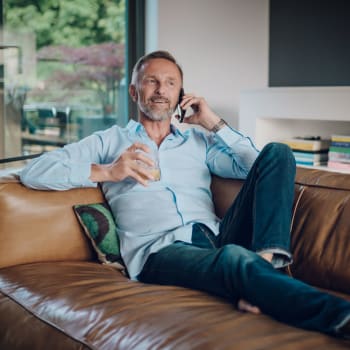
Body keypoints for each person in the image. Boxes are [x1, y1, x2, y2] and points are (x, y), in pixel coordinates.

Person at [20, 50, 350, 339]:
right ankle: (338, 318)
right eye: (151, 81)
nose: (161, 90)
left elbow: (258, 167)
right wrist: (107, 172)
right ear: (135, 91)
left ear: (181, 94)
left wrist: (212, 122)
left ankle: (263, 273)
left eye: (170, 83)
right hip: (159, 252)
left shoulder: (199, 142)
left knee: (278, 151)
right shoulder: (109, 142)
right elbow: (34, 172)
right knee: (234, 258)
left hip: (217, 236)